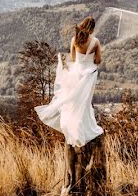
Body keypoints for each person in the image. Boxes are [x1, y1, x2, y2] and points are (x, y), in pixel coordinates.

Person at [34, 16, 104, 148]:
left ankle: (72, 128)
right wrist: (91, 59)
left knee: (73, 102)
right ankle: (84, 128)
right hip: (88, 75)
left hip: (76, 74)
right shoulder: (95, 42)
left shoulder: (74, 40)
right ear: (92, 28)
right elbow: (98, 60)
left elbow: (72, 57)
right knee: (84, 102)